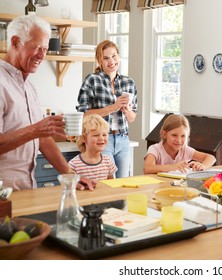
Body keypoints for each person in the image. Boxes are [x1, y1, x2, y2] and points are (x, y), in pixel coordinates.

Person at [0, 15, 94, 191]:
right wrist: (35, 130)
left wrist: (71, 175)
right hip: (3, 194)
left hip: (27, 189)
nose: (42, 56)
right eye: (36, 48)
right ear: (15, 42)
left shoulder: (28, 86)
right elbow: (36, 132)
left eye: (45, 49)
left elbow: (42, 138)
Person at [77, 40, 137, 178]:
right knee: (107, 182)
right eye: (106, 58)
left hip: (123, 139)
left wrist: (126, 109)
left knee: (123, 183)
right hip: (103, 139)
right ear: (99, 60)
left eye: (114, 56)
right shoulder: (92, 80)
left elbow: (132, 118)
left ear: (119, 56)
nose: (111, 61)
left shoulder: (129, 83)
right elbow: (84, 114)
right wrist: (113, 107)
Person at [144, 114, 216, 174]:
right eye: (174, 135)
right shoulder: (155, 149)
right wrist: (173, 167)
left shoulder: (185, 150)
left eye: (183, 136)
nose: (179, 140)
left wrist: (202, 165)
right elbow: (147, 168)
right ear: (164, 134)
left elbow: (211, 158)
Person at [68, 114, 117, 184]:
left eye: (104, 135)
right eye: (96, 135)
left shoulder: (108, 161)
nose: (101, 138)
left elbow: (112, 185)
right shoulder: (74, 165)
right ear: (84, 138)